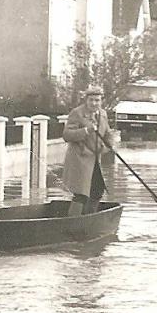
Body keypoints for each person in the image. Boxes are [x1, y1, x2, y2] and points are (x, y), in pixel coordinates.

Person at [62, 86, 112, 216]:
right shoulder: (77, 113)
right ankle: (72, 222)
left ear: (101, 101)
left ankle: (88, 218)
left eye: (97, 100)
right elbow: (67, 135)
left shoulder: (103, 114)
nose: (94, 103)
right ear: (86, 100)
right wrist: (85, 131)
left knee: (97, 190)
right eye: (91, 100)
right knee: (81, 193)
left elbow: (107, 133)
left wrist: (108, 146)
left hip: (94, 159)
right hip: (80, 159)